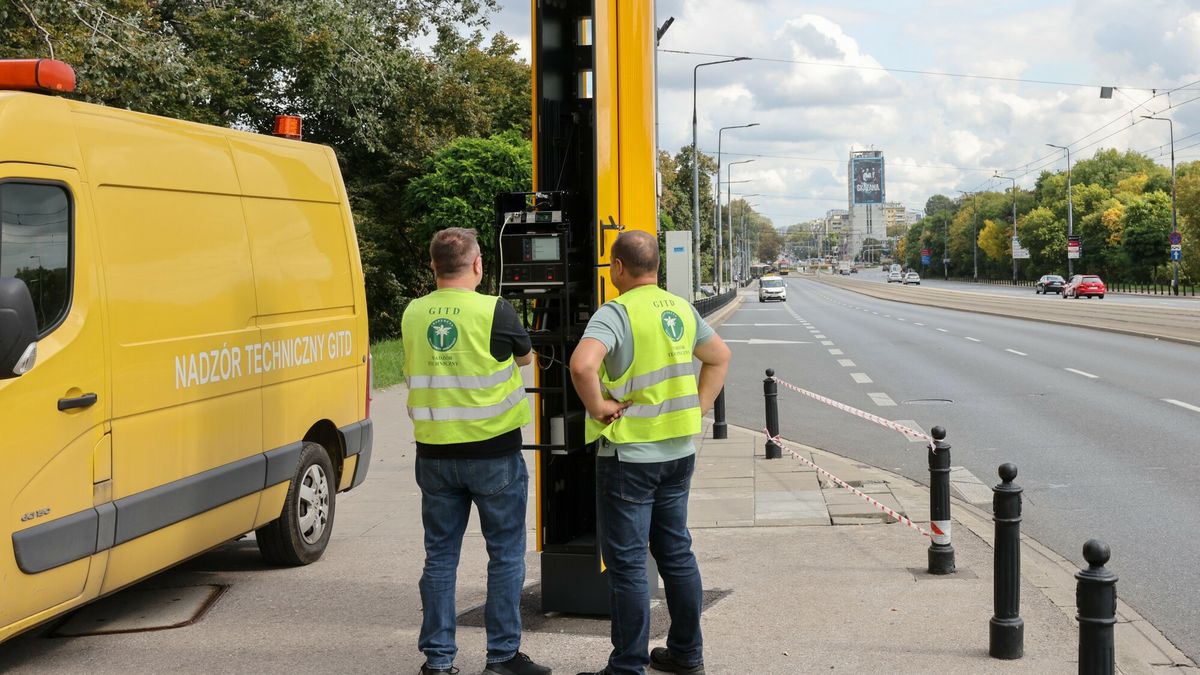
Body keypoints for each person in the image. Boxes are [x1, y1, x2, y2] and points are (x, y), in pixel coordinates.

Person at [569, 230, 731, 675]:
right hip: (679, 453)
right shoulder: (681, 308)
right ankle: (686, 654)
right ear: (656, 266)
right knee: (676, 554)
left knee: (628, 566)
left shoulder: (615, 312)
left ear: (618, 267)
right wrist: (698, 408)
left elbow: (582, 365)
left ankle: (627, 667)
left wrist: (598, 407)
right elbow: (719, 357)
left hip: (629, 458)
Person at [403, 227, 551, 675]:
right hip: (493, 456)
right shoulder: (494, 310)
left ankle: (438, 661)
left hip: (434, 455)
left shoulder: (413, 312)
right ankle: (502, 658)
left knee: (439, 556)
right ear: (478, 264)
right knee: (504, 555)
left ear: (433, 266)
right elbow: (525, 358)